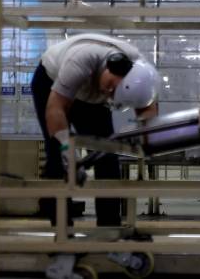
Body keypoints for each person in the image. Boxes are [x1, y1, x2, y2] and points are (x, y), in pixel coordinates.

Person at [30, 33, 160, 228]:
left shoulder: (141, 74)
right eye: (109, 87)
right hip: (50, 83)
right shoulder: (80, 61)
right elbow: (55, 109)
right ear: (111, 67)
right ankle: (63, 232)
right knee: (57, 154)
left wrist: (145, 136)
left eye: (113, 95)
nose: (108, 93)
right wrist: (68, 150)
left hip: (91, 98)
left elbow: (148, 110)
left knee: (107, 156)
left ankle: (109, 230)